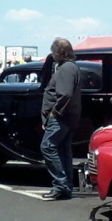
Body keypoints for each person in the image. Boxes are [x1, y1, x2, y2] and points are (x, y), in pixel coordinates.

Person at [40, 38, 81, 200]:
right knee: (63, 150)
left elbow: (65, 94)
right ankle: (66, 186)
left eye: (54, 51)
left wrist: (54, 112)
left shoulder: (65, 69)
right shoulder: (71, 67)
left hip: (61, 117)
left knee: (47, 147)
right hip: (68, 116)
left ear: (59, 52)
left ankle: (60, 184)